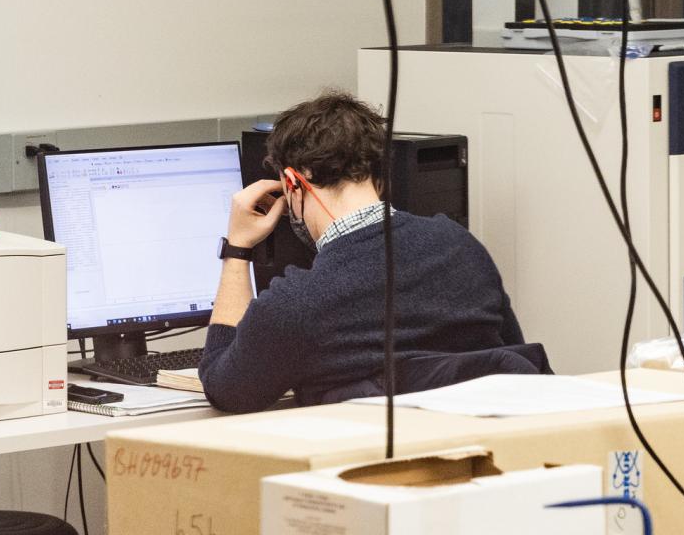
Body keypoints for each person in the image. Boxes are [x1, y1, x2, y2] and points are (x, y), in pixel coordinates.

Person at [199, 90, 536, 413]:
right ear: (378, 174)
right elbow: (510, 356)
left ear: (292, 183)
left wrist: (237, 248)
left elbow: (225, 388)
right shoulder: (462, 247)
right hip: (481, 455)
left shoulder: (299, 304)